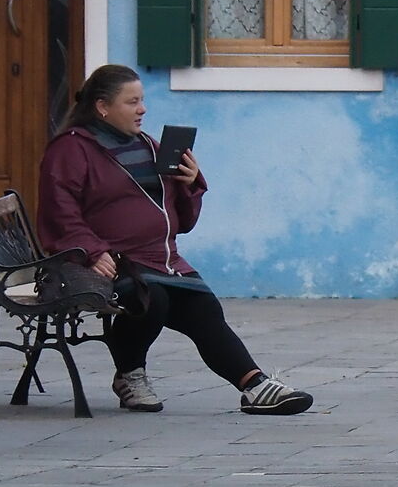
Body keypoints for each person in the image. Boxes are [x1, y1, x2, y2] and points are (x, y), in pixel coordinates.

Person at [37, 65, 312, 416]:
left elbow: (181, 221)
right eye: (132, 102)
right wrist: (92, 250)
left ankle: (255, 386)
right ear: (102, 107)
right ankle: (129, 375)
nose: (143, 109)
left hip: (161, 258)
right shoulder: (71, 150)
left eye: (142, 101)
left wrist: (190, 180)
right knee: (153, 299)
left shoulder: (149, 146)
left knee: (205, 309)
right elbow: (59, 209)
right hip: (105, 262)